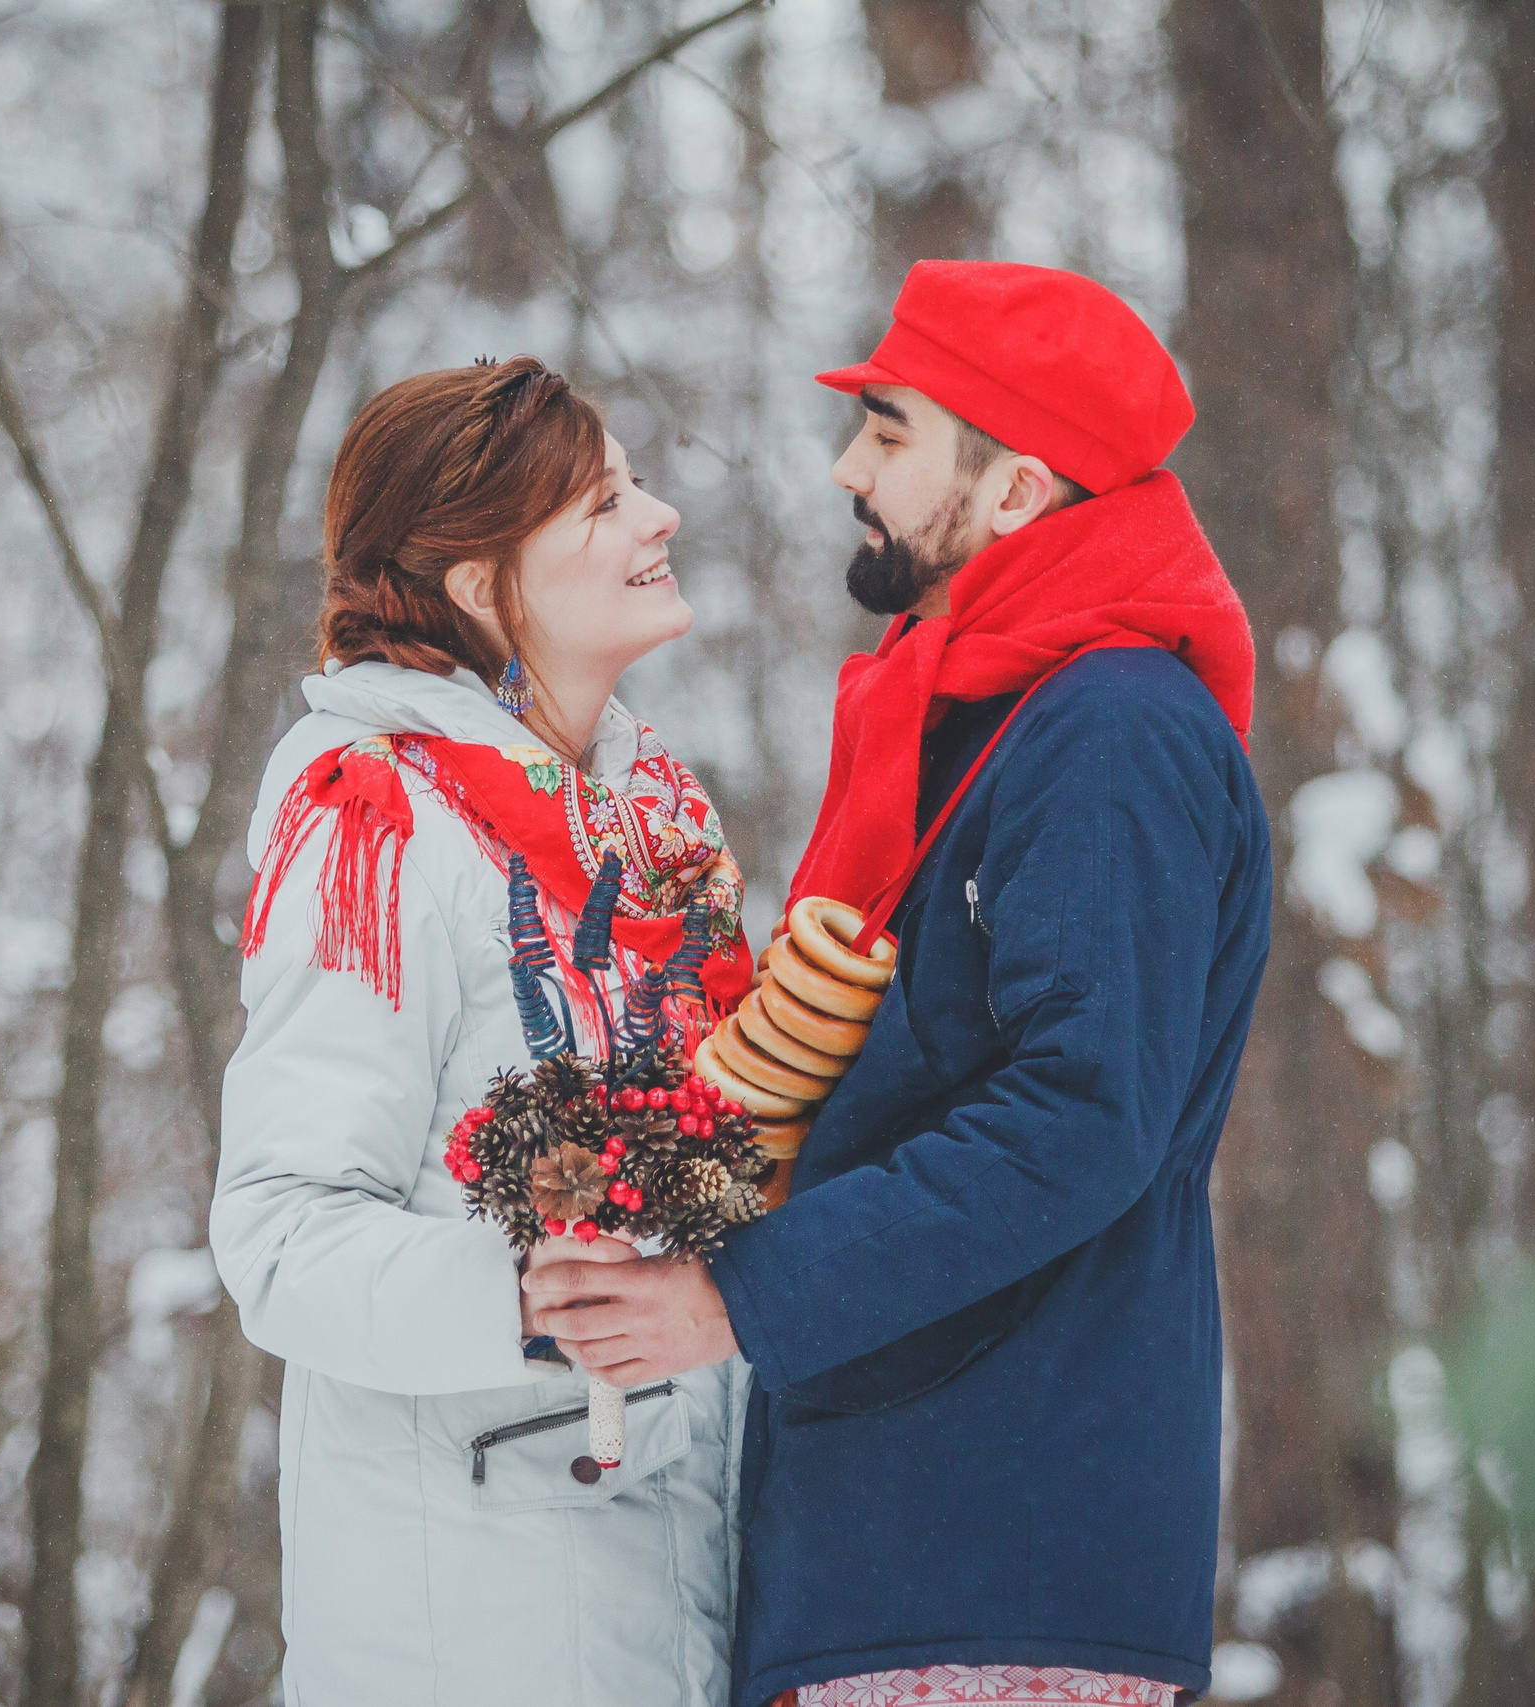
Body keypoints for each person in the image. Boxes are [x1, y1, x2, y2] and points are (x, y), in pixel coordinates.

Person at [524, 260, 1272, 1707]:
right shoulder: (983, 719)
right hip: (895, 1548)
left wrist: (735, 1299)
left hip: (1004, 1553)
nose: (843, 466)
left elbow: (1079, 1119)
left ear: (1014, 490)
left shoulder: (1109, 735)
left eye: (888, 430)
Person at [209, 355, 758, 1706]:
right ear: (477, 584)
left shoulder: (654, 830)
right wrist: (530, 1295)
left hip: (682, 1562)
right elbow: (280, 1235)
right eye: (602, 504)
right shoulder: (379, 822)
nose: (658, 519)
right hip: (475, 1611)